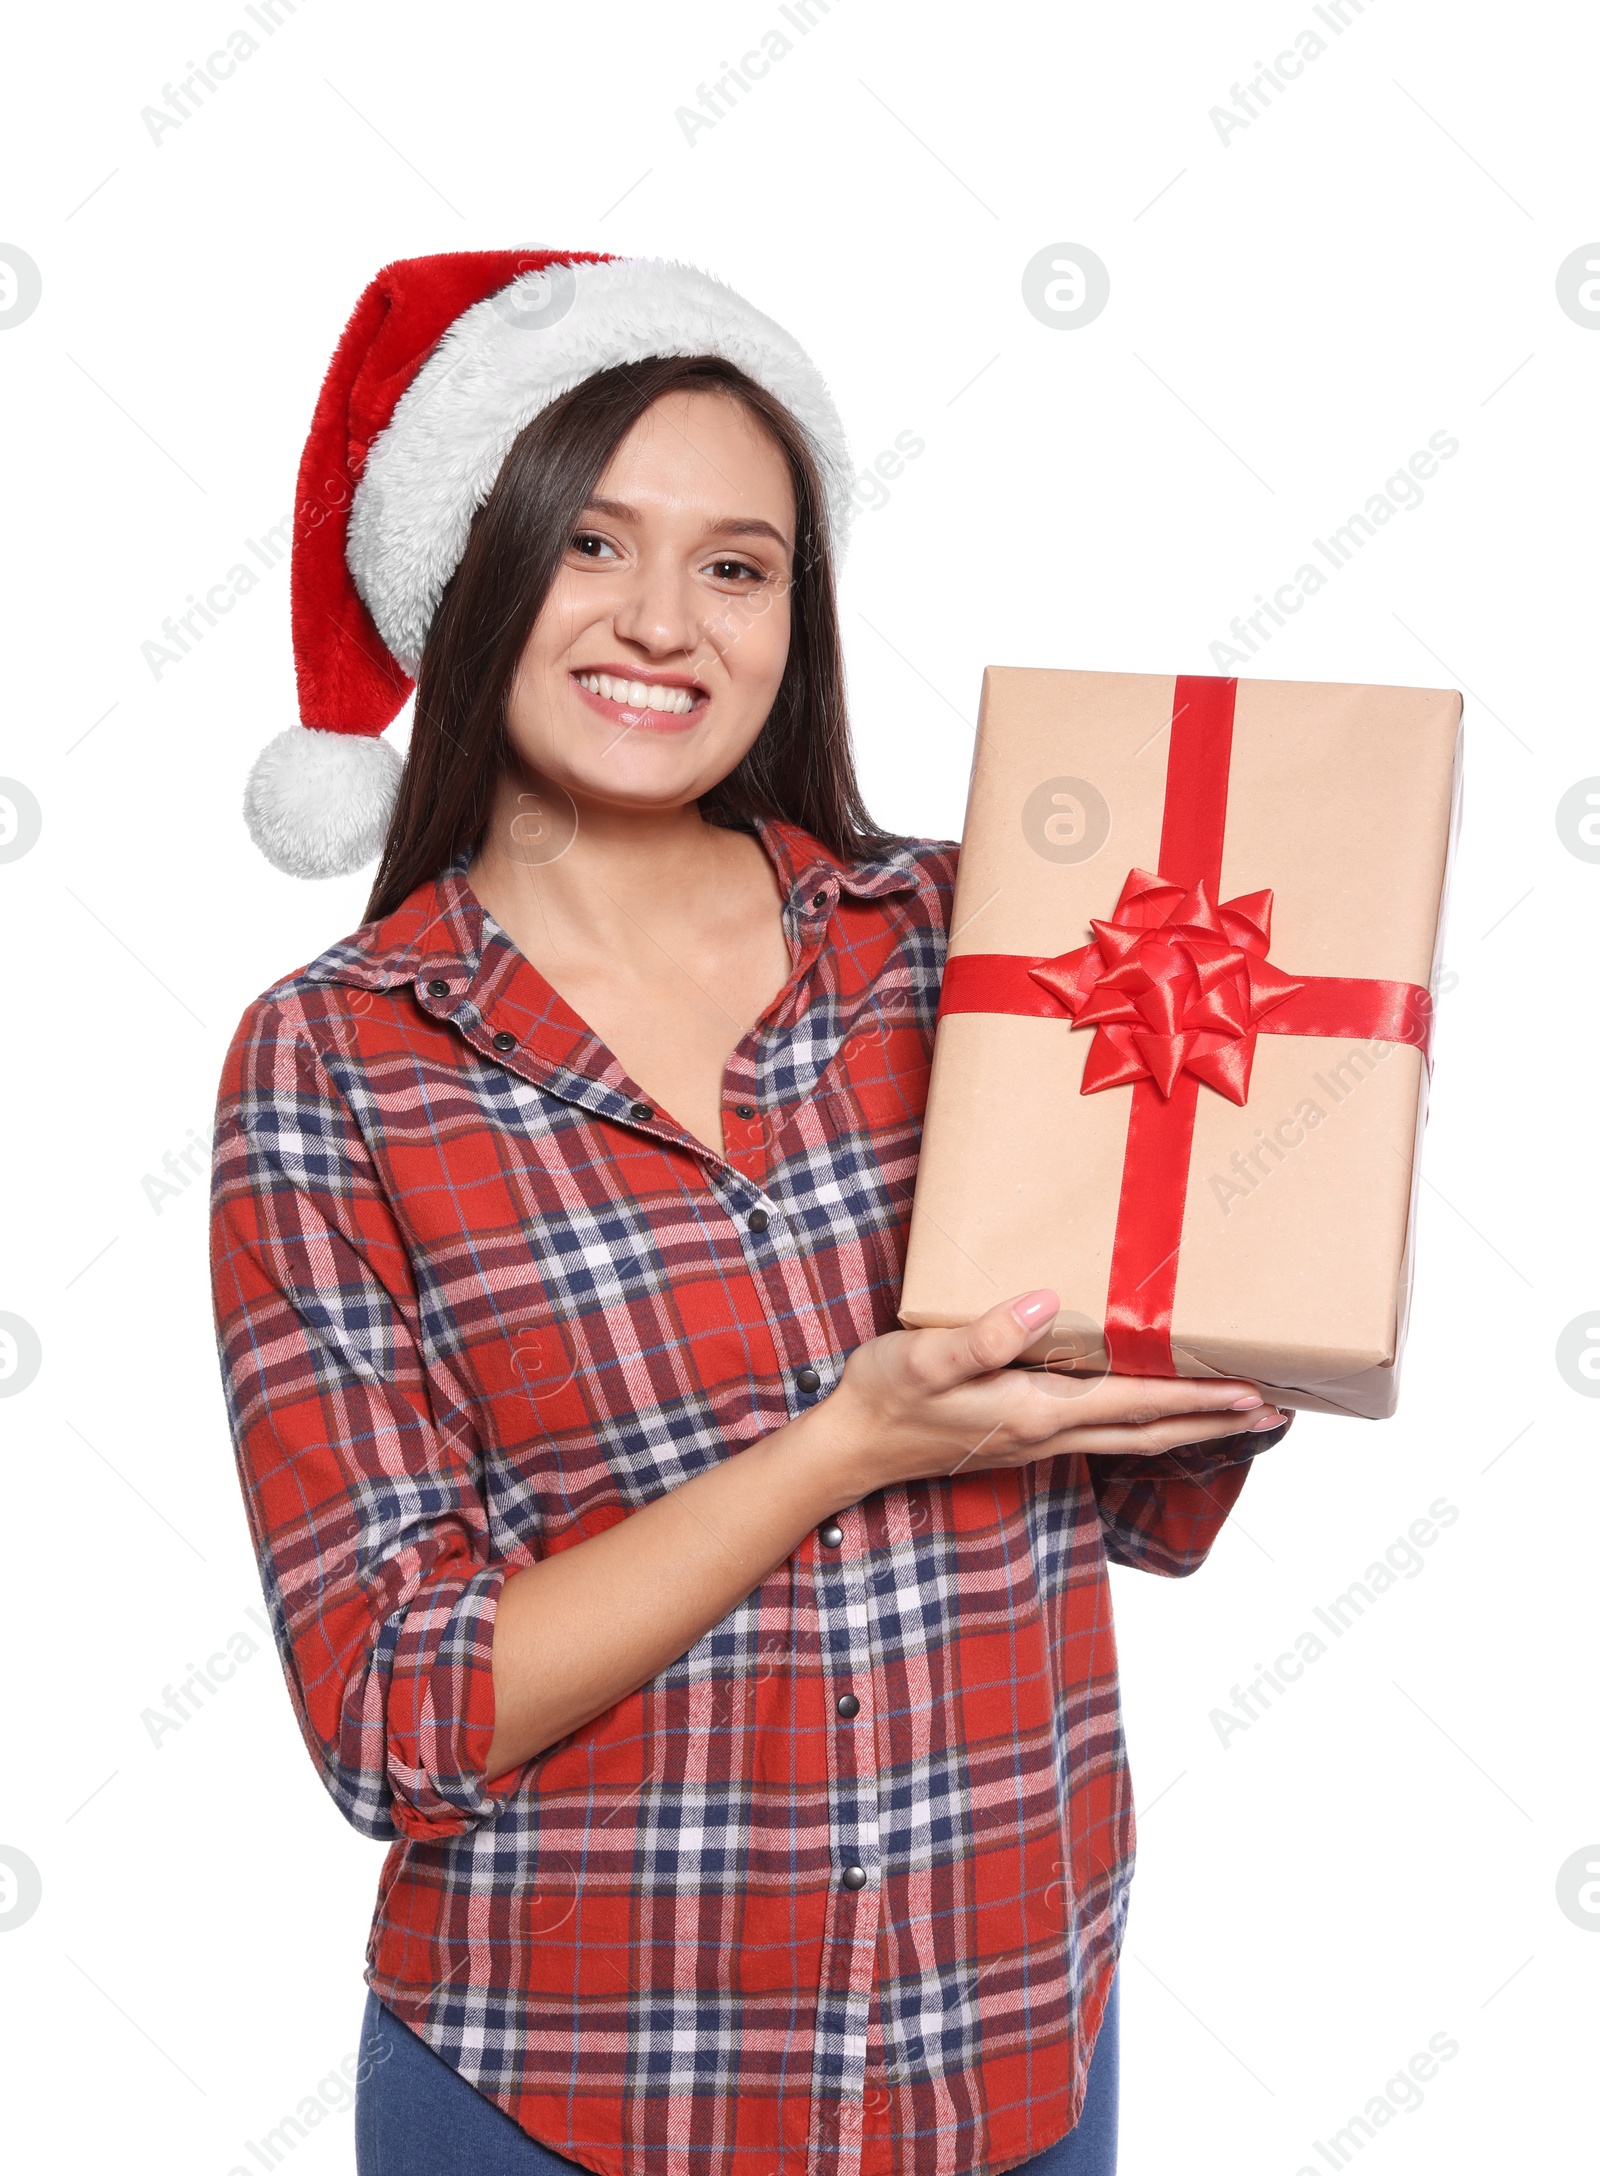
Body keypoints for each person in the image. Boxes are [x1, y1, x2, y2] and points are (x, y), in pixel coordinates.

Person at [210, 250, 1291, 2176]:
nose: (665, 622)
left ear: (799, 615)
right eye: (593, 545)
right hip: (576, 2095)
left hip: (1007, 2051)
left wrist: (1247, 1281)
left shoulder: (966, 947)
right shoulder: (340, 1065)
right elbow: (395, 1710)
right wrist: (842, 1444)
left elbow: (1121, 1495)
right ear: (470, 574)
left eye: (738, 564)